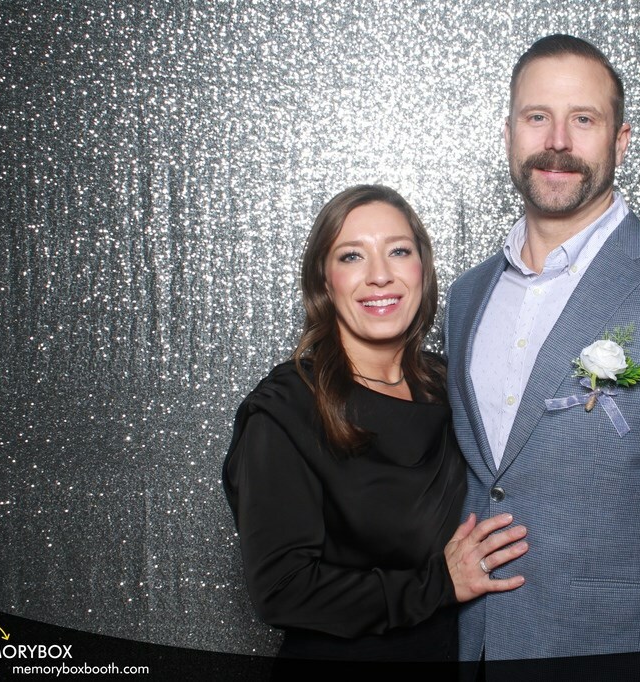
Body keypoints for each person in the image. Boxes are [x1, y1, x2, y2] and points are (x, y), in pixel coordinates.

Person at [445, 35, 640, 665]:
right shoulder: (467, 297)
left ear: (620, 141)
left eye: (583, 120)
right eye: (537, 117)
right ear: (509, 134)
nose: (557, 141)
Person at [223, 185, 527, 662]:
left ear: (423, 270)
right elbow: (282, 590)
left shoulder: (454, 387)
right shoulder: (286, 409)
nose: (380, 275)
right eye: (352, 256)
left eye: (398, 251)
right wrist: (438, 584)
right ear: (325, 282)